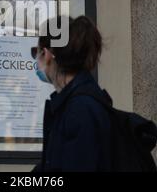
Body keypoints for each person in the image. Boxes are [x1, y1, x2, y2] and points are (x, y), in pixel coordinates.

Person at [31, 16, 113, 172]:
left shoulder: (80, 110)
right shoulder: (76, 104)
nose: (35, 58)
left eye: (36, 51)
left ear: (47, 54)